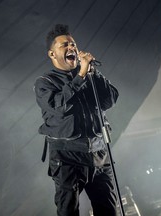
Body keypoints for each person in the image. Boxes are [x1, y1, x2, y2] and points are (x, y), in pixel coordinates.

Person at [34, 24, 119, 216]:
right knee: (69, 211)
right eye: (64, 45)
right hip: (67, 157)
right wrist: (80, 76)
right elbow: (59, 107)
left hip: (99, 153)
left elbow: (110, 99)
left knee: (108, 210)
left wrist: (93, 73)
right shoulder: (45, 83)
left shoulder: (88, 76)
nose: (71, 47)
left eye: (73, 44)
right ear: (52, 54)